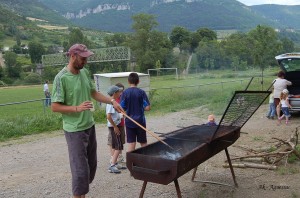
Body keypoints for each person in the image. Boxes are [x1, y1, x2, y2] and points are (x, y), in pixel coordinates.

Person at [51, 43, 123, 198]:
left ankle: (83, 194)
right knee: (80, 171)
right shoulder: (61, 78)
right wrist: (76, 108)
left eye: (86, 58)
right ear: (72, 56)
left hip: (89, 126)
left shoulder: (84, 73)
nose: (85, 62)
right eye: (83, 58)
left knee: (91, 166)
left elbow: (93, 93)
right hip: (74, 130)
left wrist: (112, 101)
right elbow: (55, 106)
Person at [120, 72, 151, 152]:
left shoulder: (125, 93)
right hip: (141, 121)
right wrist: (139, 107)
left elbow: (120, 109)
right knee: (143, 142)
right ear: (138, 81)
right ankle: (147, 161)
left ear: (128, 81)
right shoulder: (141, 92)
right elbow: (147, 108)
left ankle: (130, 163)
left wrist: (127, 110)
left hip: (129, 122)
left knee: (131, 144)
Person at [106, 85, 126, 174]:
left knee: (117, 145)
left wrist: (121, 115)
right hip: (114, 127)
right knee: (118, 147)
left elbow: (114, 115)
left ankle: (116, 163)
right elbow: (108, 116)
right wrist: (115, 127)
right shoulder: (110, 103)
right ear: (114, 93)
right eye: (119, 92)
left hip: (115, 125)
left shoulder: (113, 102)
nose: (120, 93)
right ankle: (112, 165)